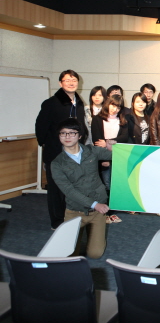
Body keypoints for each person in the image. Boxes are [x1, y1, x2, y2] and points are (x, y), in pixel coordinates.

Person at [51, 119, 111, 259]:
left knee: (95, 254)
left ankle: (92, 236)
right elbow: (69, 191)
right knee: (68, 254)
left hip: (97, 213)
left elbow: (119, 155)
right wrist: (94, 204)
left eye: (72, 133)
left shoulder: (91, 151)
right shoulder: (57, 163)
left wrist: (113, 146)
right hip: (75, 211)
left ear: (80, 136)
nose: (67, 136)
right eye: (63, 133)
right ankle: (83, 237)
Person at [36, 69, 87, 229]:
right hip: (56, 153)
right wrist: (49, 146)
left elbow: (81, 126)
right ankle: (57, 221)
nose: (71, 83)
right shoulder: (51, 103)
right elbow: (41, 128)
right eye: (67, 80)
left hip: (75, 153)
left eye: (74, 80)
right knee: (56, 189)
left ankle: (70, 217)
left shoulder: (79, 103)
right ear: (60, 83)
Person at [91, 94, 128, 192]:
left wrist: (107, 142)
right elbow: (97, 141)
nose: (114, 109)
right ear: (108, 104)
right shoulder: (97, 119)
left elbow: (124, 137)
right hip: (103, 157)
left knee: (118, 184)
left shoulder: (123, 120)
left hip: (118, 157)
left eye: (118, 107)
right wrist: (104, 158)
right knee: (106, 185)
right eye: (113, 105)